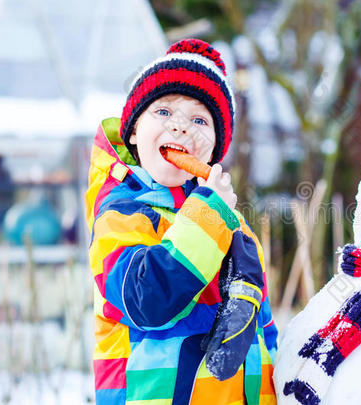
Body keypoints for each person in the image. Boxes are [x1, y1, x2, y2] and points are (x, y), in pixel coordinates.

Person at [85, 38, 278, 405]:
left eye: (199, 120)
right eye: (163, 112)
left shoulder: (232, 224)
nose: (180, 128)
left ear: (216, 148)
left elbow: (263, 328)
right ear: (134, 134)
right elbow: (147, 300)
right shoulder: (121, 215)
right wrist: (208, 215)